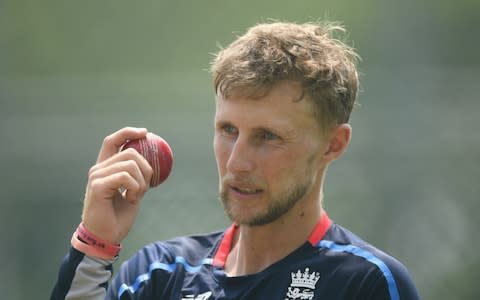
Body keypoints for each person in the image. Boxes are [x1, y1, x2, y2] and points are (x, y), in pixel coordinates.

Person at [51, 21, 420, 300]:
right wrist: (95, 244)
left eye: (268, 137)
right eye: (228, 130)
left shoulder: (366, 284)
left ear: (332, 145)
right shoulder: (157, 275)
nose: (237, 162)